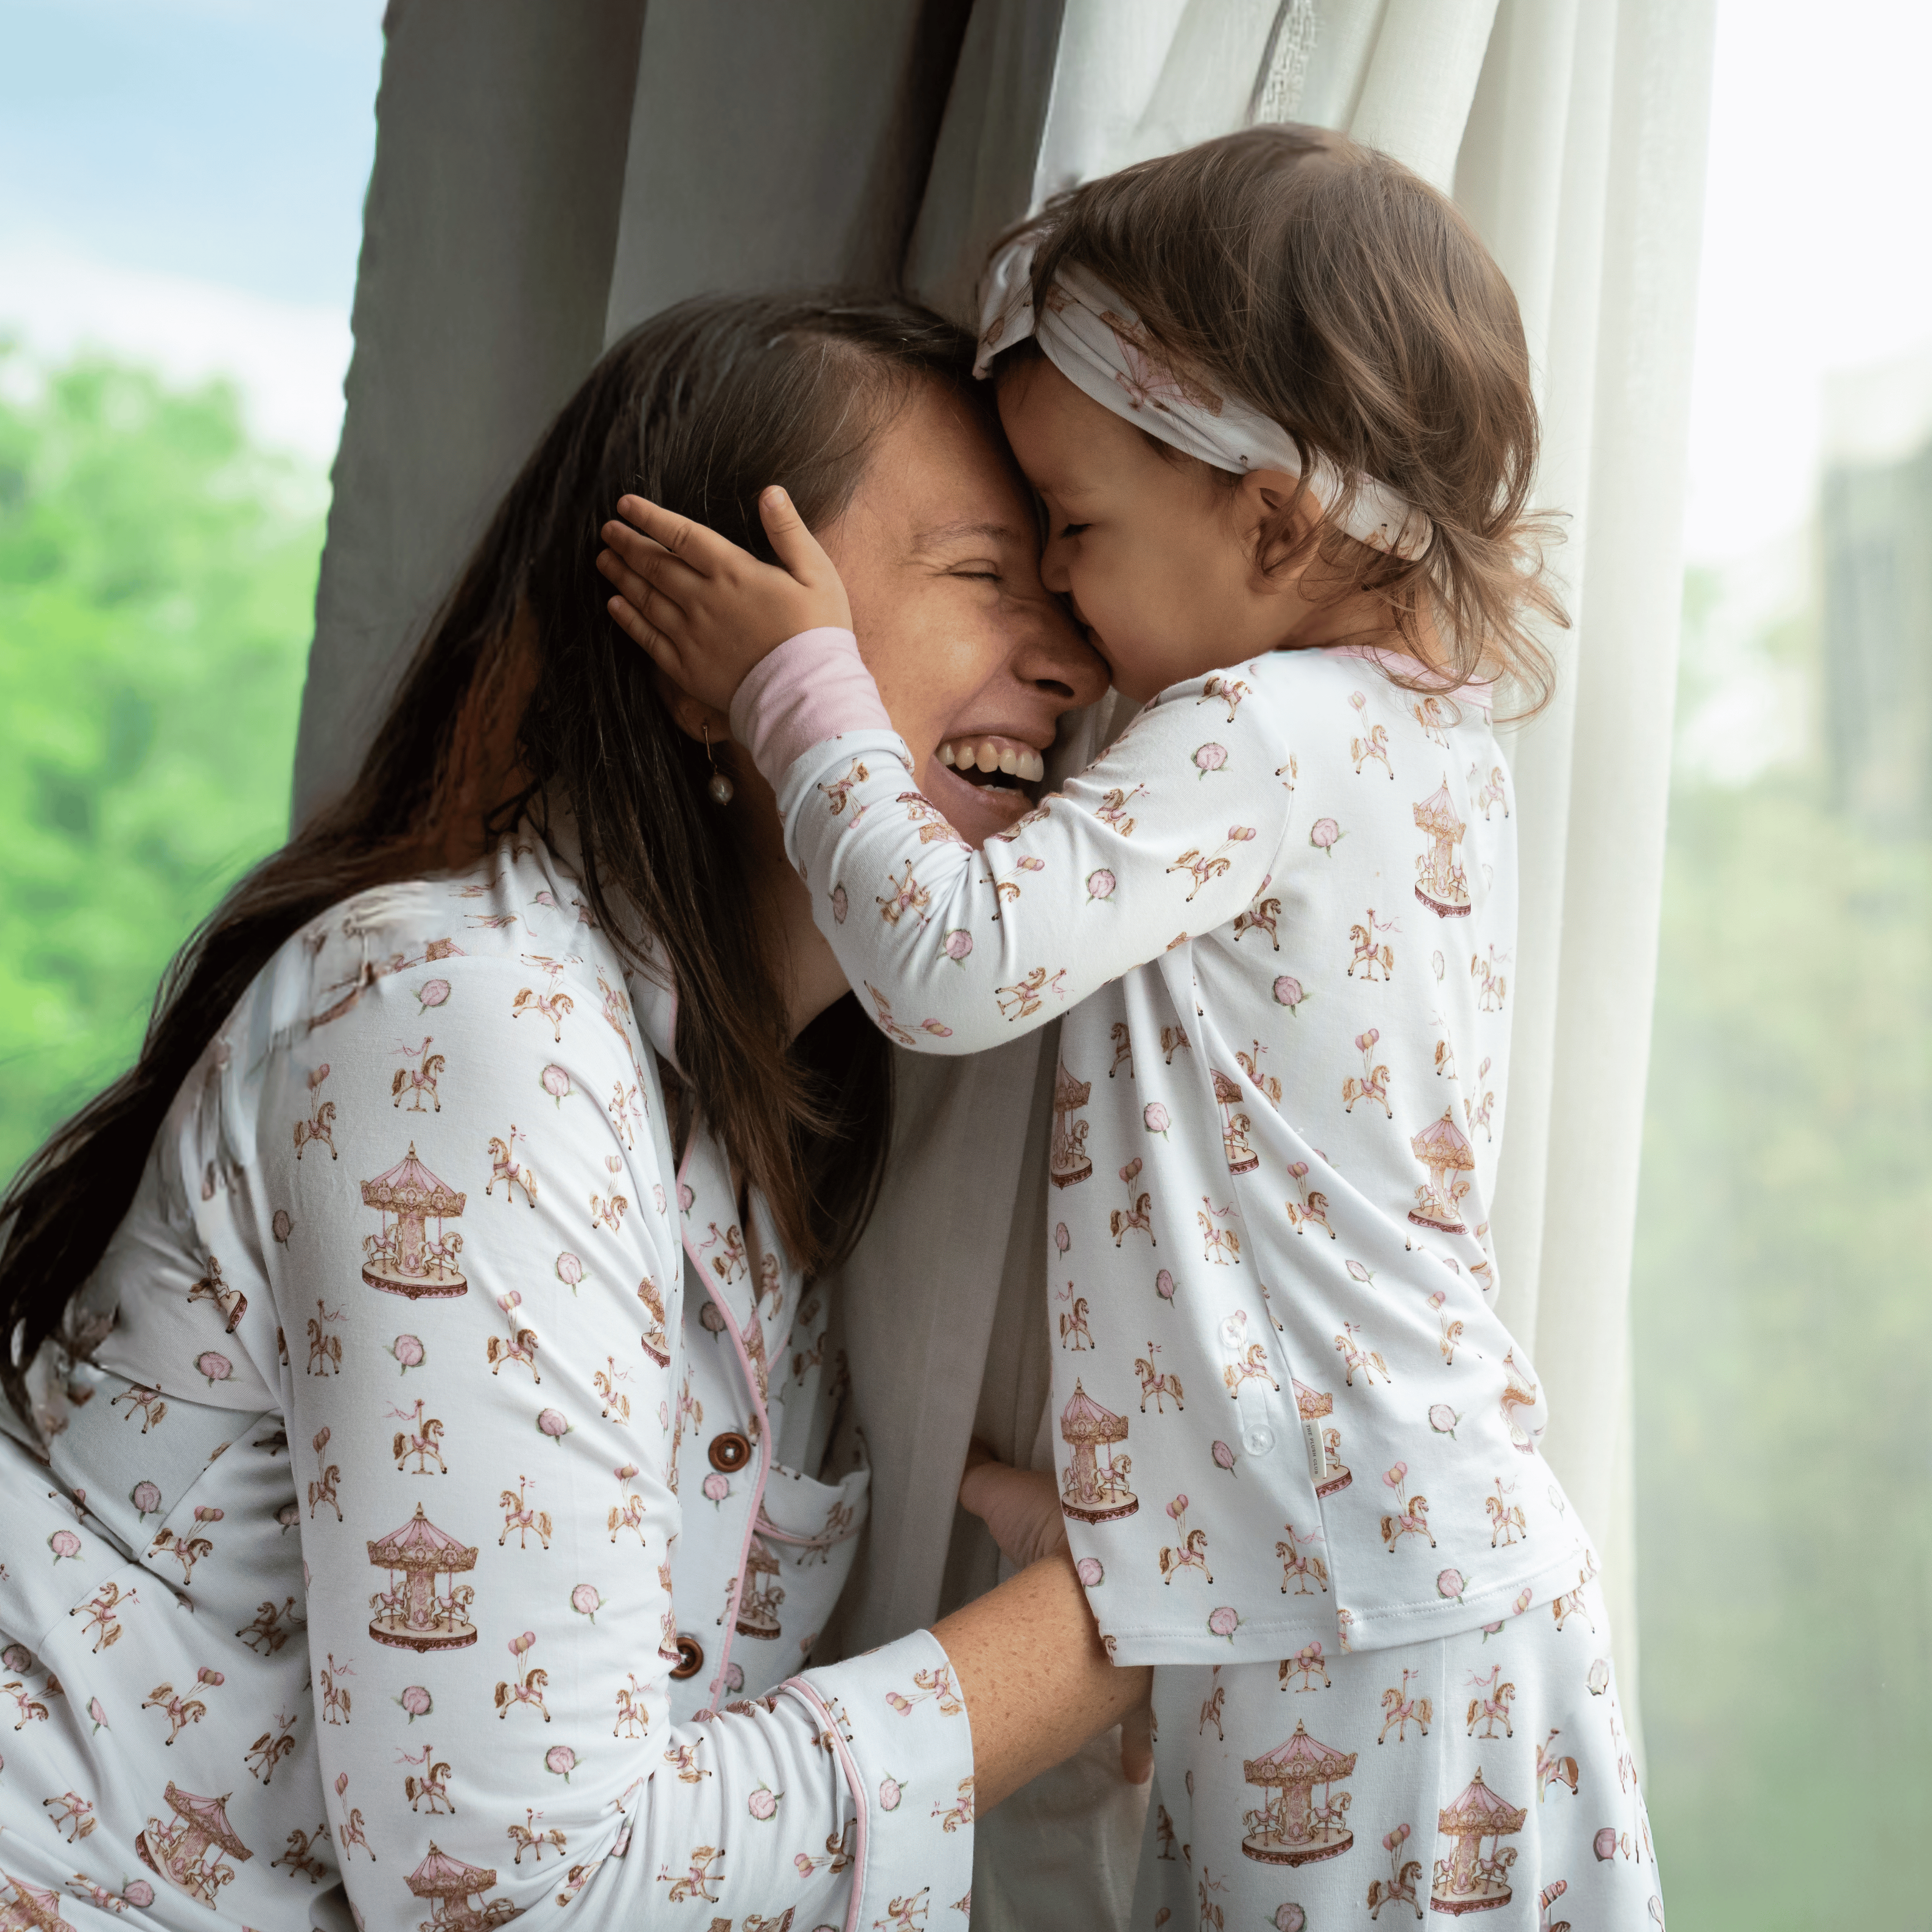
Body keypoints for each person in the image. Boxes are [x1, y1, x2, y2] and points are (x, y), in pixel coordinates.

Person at [597, 125, 1662, 1924]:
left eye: (1075, 535)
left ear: (1272, 516)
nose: (1068, 611)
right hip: (1376, 1570)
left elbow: (949, 961)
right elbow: (1282, 1190)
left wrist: (800, 686)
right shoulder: (1416, 736)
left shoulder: (1267, 732)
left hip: (1375, 1606)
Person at [0, 293, 1145, 1932]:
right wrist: (1140, 1605)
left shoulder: (754, 1138)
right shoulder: (470, 1021)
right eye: (982, 580)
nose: (1071, 663)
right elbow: (525, 1889)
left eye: (1070, 597)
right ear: (709, 666)